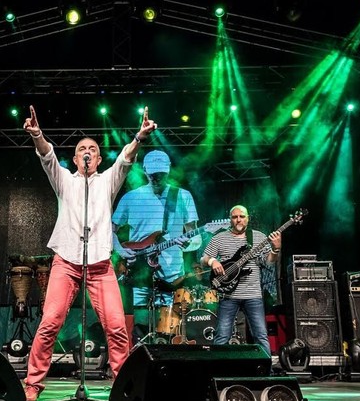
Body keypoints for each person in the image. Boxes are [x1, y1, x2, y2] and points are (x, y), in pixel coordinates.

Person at [21, 104, 157, 401]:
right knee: (50, 322)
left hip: (100, 265)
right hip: (66, 262)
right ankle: (32, 383)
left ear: (97, 159)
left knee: (117, 327)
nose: (87, 152)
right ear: (75, 159)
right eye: (81, 149)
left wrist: (139, 137)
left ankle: (123, 386)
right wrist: (37, 135)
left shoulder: (107, 181)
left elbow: (125, 159)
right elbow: (47, 157)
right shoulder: (64, 180)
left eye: (92, 149)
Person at [112, 150, 200, 343]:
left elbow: (196, 238)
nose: (156, 178)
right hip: (139, 270)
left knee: (169, 331)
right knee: (140, 327)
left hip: (172, 275)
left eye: (161, 174)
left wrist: (186, 244)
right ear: (145, 171)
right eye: (152, 174)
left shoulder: (182, 196)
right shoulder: (131, 198)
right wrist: (121, 250)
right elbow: (109, 230)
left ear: (168, 170)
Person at [201, 205, 281, 357]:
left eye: (242, 216)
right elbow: (203, 259)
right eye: (235, 217)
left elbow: (269, 263)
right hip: (228, 295)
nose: (238, 220)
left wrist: (275, 250)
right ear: (230, 219)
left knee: (261, 336)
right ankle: (217, 368)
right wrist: (212, 261)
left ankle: (266, 368)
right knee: (221, 337)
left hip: (253, 295)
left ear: (248, 219)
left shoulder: (258, 237)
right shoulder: (219, 238)